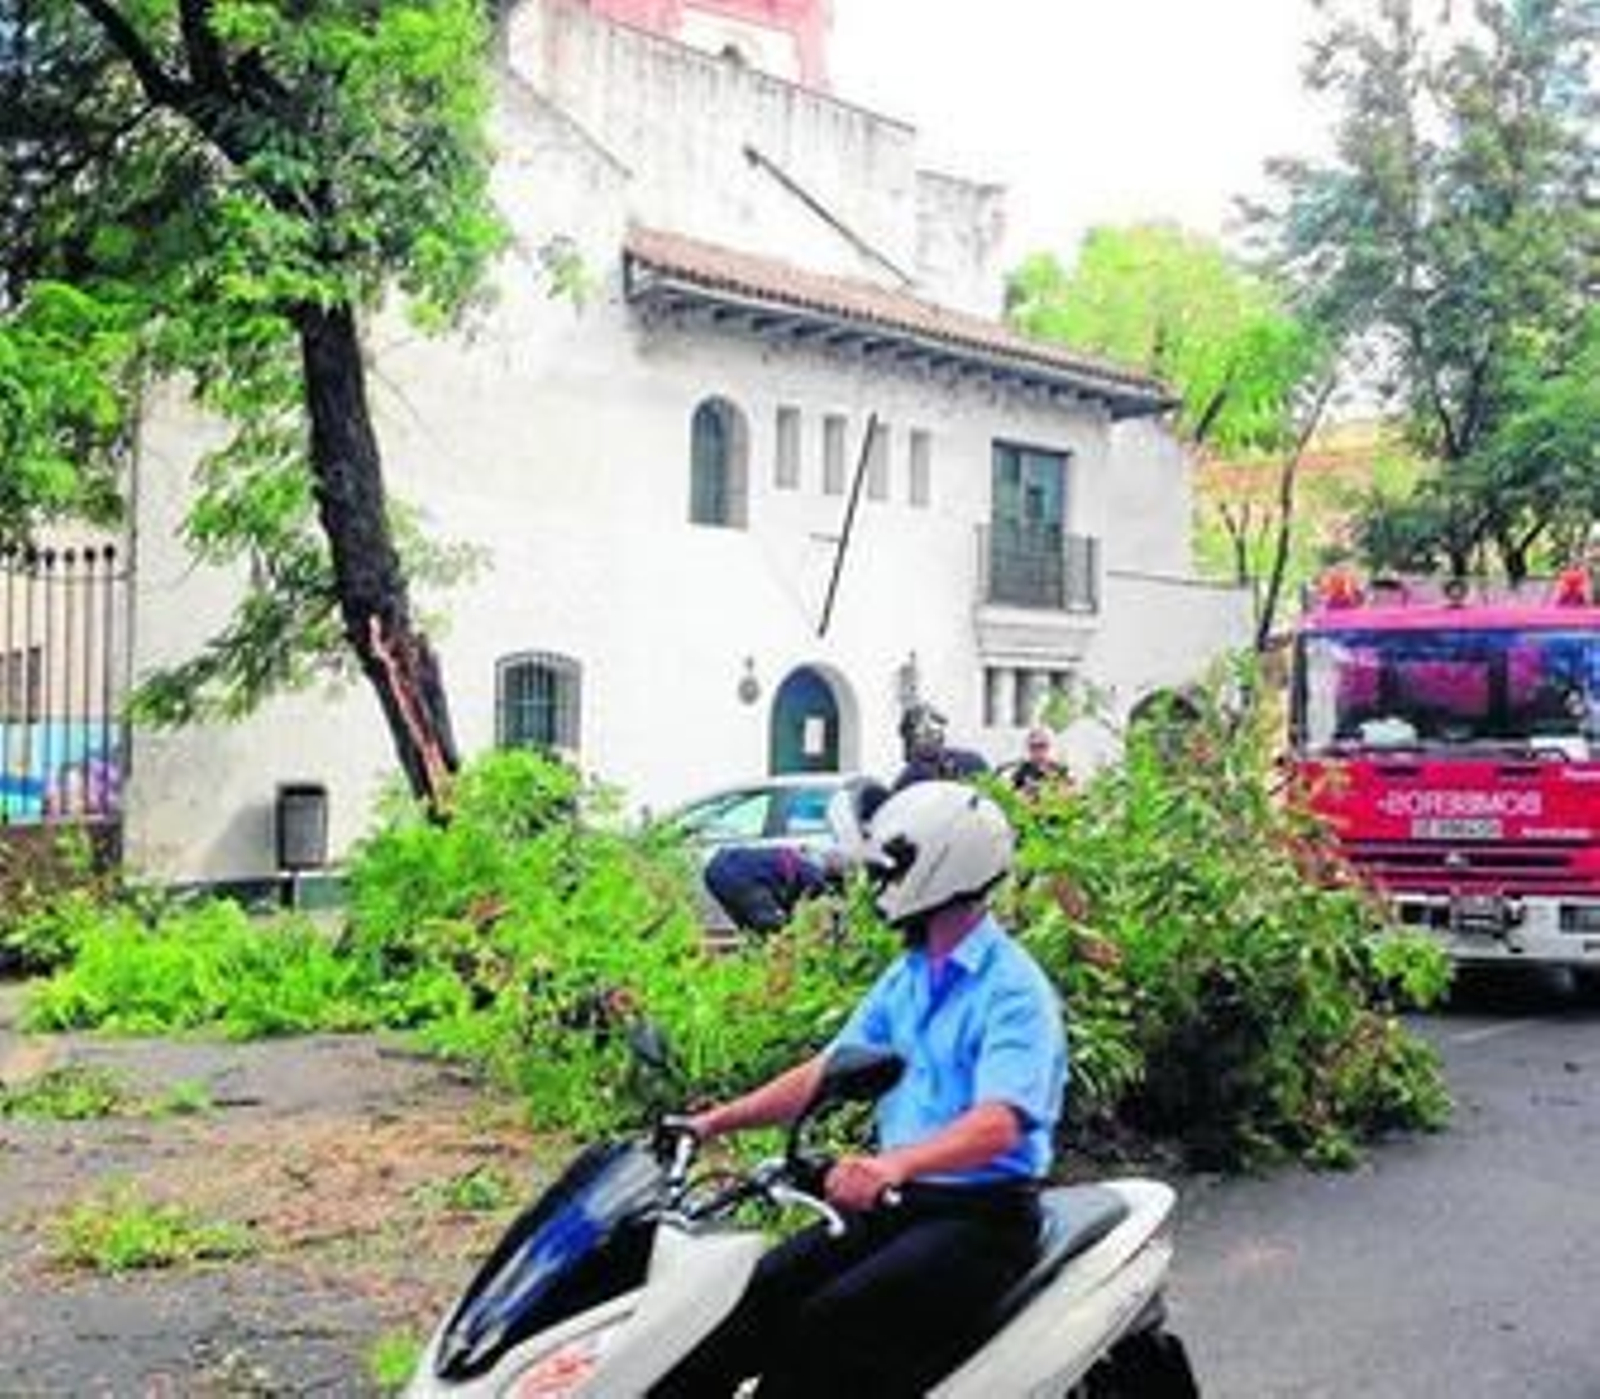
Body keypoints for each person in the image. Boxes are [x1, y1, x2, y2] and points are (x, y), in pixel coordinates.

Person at [652, 781, 1069, 1398]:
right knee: (748, 1298)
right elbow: (826, 1071)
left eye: (886, 869)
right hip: (899, 1209)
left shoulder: (1012, 989)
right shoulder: (908, 977)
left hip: (982, 1222)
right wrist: (713, 1123)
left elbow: (1001, 1122)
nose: (875, 884)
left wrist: (895, 1162)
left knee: (828, 1331)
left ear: (937, 866)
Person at [702, 780, 890, 935]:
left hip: (717, 868)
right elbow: (835, 910)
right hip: (735, 872)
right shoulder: (812, 875)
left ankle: (756, 965)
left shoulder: (804, 861)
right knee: (774, 929)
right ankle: (774, 974)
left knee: (756, 931)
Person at [892, 703, 989, 791]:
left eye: (932, 733)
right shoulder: (908, 778)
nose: (927, 741)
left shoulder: (970, 761)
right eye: (919, 737)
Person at [1010, 726, 1068, 798]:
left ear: (1051, 746)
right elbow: (1012, 795)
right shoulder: (1022, 771)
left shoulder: (1062, 771)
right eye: (1033, 746)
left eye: (1042, 745)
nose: (1038, 751)